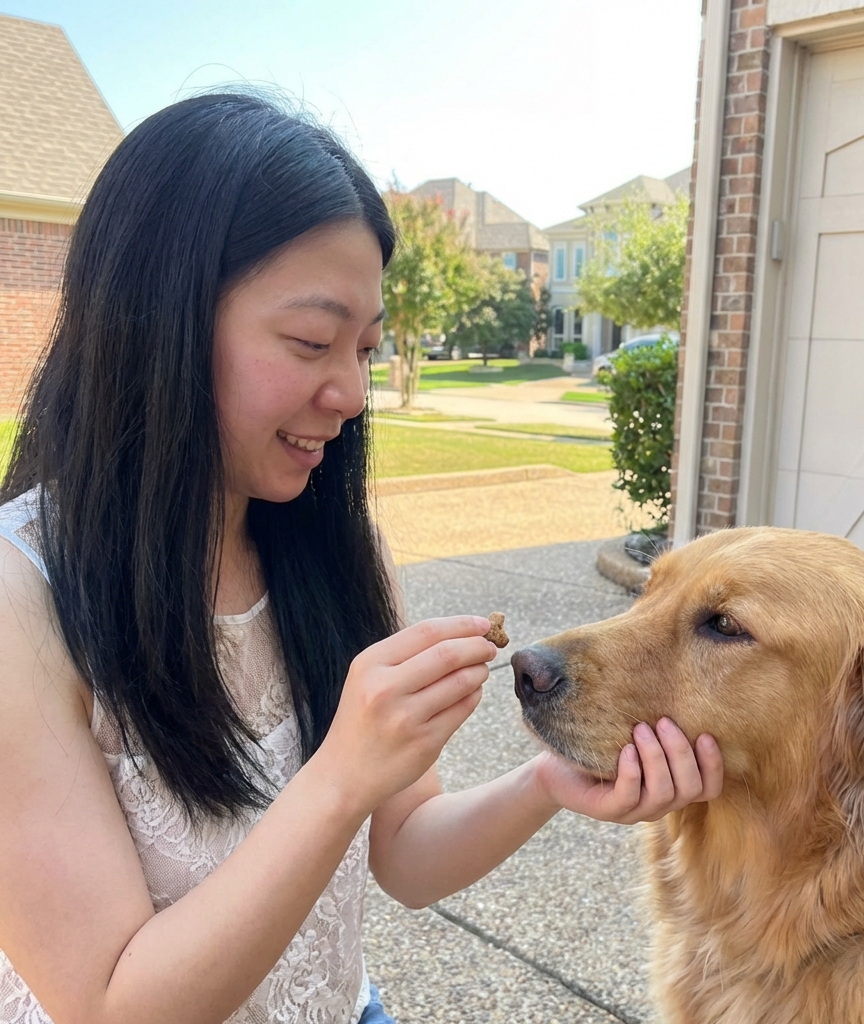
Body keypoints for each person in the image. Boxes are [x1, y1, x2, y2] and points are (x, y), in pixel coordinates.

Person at [0, 93, 723, 1024]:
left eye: (367, 350)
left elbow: (408, 853)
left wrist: (550, 782)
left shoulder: (330, 547)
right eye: (310, 341)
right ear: (156, 322)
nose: (348, 394)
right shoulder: (24, 601)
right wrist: (341, 773)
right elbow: (109, 1006)